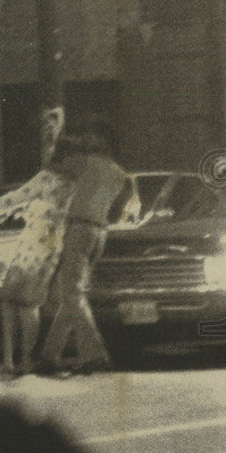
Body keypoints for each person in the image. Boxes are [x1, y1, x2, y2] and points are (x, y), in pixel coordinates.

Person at [37, 122, 136, 375]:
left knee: (71, 294)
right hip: (99, 231)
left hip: (79, 228)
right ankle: (50, 356)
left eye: (90, 135)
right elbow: (115, 209)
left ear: (100, 140)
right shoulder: (119, 173)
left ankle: (95, 355)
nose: (86, 138)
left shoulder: (86, 161)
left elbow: (51, 168)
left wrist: (57, 142)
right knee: (71, 294)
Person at [0, 135, 79, 376]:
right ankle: (24, 360)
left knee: (10, 300)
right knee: (29, 303)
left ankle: (10, 361)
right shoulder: (77, 184)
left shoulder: (48, 177)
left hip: (32, 243)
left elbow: (18, 196)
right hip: (52, 246)